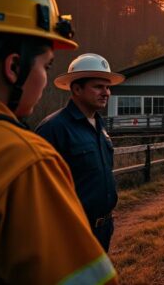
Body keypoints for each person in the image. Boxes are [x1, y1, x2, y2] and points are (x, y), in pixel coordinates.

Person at [0, 0, 117, 283]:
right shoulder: (26, 154)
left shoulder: (100, 129)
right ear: (14, 67)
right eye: (45, 67)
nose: (105, 93)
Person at [36, 53, 125, 251]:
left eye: (108, 87)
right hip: (71, 233)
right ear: (76, 89)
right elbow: (39, 190)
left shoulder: (99, 125)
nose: (106, 93)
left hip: (103, 229)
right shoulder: (54, 128)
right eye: (98, 87)